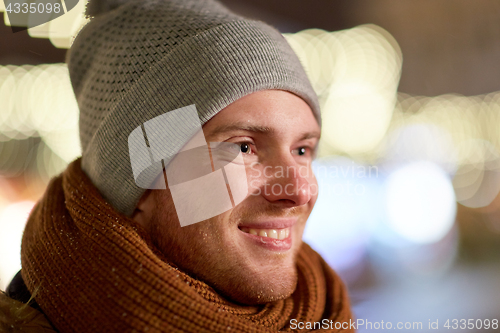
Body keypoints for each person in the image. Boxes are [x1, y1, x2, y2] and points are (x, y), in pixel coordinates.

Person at [0, 0, 354, 331]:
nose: (299, 191)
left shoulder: (326, 314)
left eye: (302, 150)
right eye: (244, 147)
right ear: (139, 181)